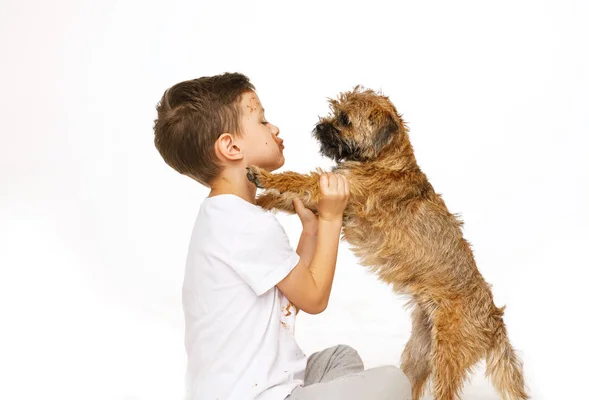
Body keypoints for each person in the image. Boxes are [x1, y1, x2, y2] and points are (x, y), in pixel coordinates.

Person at [153, 72, 411, 400]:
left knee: (338, 357)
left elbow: (292, 296)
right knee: (395, 382)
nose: (273, 128)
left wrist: (312, 229)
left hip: (257, 385)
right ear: (230, 147)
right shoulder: (244, 224)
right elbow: (314, 298)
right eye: (262, 121)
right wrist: (332, 217)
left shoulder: (224, 217)